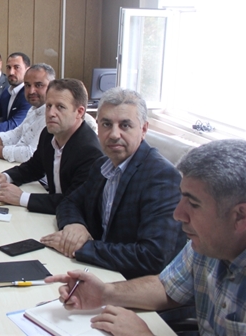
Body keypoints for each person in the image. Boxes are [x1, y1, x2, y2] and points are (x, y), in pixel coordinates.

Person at [47, 139, 246, 336]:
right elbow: (167, 287)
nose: (178, 214)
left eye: (193, 204)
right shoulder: (207, 244)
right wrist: (105, 293)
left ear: (240, 215)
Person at [42, 87, 186, 279]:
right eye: (107, 124)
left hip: (132, 284)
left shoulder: (162, 178)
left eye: (125, 125)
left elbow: (152, 257)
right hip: (100, 271)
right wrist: (74, 225)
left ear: (143, 129)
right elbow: (69, 202)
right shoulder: (102, 166)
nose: (114, 134)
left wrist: (84, 248)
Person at [0, 78, 103, 214]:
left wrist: (22, 198)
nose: (51, 113)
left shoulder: (90, 152)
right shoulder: (48, 134)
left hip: (74, 220)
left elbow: (74, 201)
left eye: (60, 107)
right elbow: (33, 167)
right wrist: (6, 176)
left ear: (79, 112)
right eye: (48, 106)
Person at [0, 63, 54, 162]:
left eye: (38, 85)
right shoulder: (34, 109)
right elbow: (17, 134)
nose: (31, 91)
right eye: (27, 85)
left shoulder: (51, 116)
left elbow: (31, 154)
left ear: (52, 86)